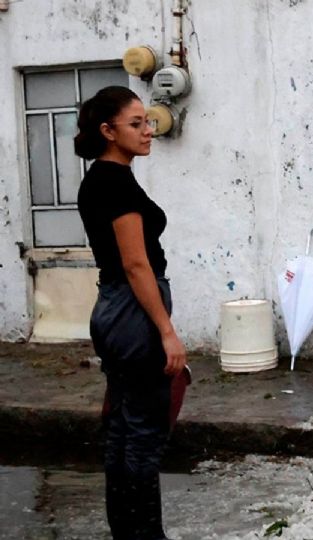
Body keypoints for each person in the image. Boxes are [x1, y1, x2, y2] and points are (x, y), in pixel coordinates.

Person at [76, 86, 187, 539]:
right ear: (108, 131)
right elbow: (136, 263)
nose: (148, 131)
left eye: (148, 122)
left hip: (113, 307)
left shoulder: (101, 178)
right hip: (133, 310)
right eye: (136, 124)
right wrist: (166, 330)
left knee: (124, 428)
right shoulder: (115, 182)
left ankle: (126, 531)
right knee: (143, 434)